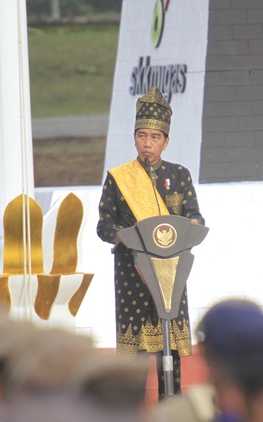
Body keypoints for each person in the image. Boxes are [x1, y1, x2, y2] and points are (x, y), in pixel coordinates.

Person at [97, 85, 205, 400]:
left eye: (155, 138)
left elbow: (195, 216)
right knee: (135, 361)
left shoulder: (180, 175)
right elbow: (103, 225)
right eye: (142, 136)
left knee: (168, 355)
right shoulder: (118, 178)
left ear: (166, 142)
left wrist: (193, 226)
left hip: (170, 273)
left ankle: (171, 411)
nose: (148, 143)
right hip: (132, 274)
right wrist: (126, 237)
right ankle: (130, 418)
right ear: (134, 138)